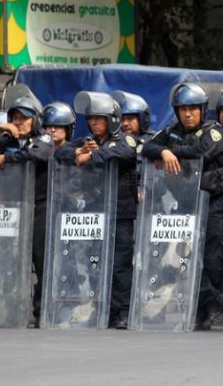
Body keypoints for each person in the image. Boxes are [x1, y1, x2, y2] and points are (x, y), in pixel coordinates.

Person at [141, 83, 223, 331]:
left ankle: (206, 308)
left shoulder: (214, 130)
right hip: (186, 202)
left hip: (214, 201)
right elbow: (146, 147)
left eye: (192, 109)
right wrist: (162, 152)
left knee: (214, 257)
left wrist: (169, 153)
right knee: (184, 259)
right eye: (183, 109)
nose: (188, 114)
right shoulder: (171, 131)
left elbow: (202, 151)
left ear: (202, 110)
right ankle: (209, 303)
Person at [54, 91, 138, 329]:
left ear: (111, 119)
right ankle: (101, 307)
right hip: (95, 212)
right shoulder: (86, 141)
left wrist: (93, 156)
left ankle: (121, 311)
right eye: (90, 119)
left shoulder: (124, 139)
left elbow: (126, 152)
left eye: (98, 119)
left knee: (120, 263)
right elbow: (60, 152)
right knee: (95, 261)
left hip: (121, 211)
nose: (93, 123)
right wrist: (78, 152)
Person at [0, 86, 54, 327]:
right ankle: (8, 311)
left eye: (24, 118)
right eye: (15, 118)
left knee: (40, 260)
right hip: (13, 208)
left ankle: (41, 313)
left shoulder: (42, 137)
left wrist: (9, 158)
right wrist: (3, 131)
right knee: (11, 261)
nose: (19, 122)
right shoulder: (7, 137)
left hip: (41, 207)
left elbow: (39, 155)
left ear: (35, 119)